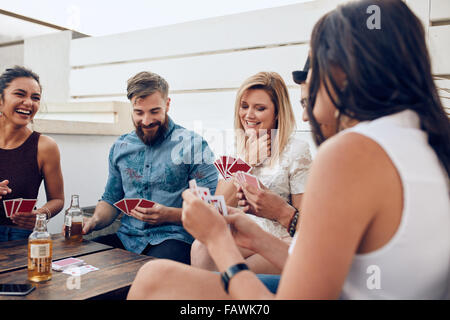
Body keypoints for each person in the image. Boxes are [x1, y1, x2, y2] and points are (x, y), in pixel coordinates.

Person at [128, 0, 450, 299]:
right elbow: (329, 266)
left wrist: (218, 240)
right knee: (158, 275)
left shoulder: (352, 153)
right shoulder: (427, 142)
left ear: (340, 75)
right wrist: (256, 237)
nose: (308, 102)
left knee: (152, 281)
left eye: (314, 73)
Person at [82, 71, 218, 264]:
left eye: (154, 111)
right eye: (139, 112)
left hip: (175, 239)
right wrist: (93, 222)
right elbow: (112, 199)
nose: (146, 121)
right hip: (127, 239)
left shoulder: (193, 145)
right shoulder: (120, 147)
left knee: (149, 275)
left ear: (167, 104)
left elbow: (211, 209)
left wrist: (169, 215)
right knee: (82, 263)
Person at [191, 71, 312, 274]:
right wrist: (245, 161)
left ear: (277, 112)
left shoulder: (296, 150)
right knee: (200, 247)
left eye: (260, 108)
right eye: (244, 106)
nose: (248, 115)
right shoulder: (234, 148)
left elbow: (304, 223)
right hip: (243, 230)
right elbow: (219, 205)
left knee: (231, 273)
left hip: (279, 238)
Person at [0, 66, 64, 242]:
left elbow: (57, 199)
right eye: (20, 94)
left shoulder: (45, 146)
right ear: (1, 100)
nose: (29, 103)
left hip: (20, 235)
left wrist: (40, 214)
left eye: (35, 98)